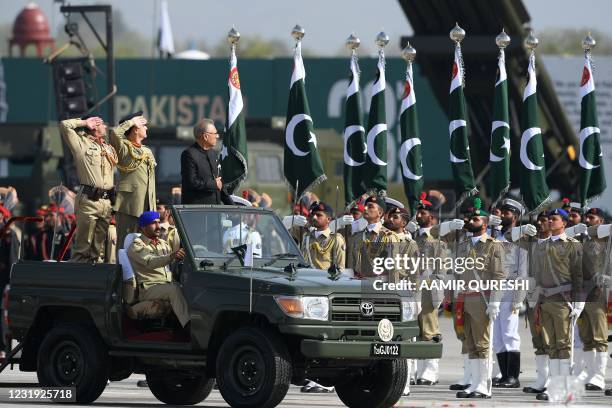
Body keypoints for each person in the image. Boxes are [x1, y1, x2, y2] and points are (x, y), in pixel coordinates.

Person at [454, 200, 505, 399]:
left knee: (483, 344)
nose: (470, 221)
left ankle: (483, 385)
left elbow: (499, 275)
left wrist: (495, 301)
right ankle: (474, 382)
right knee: (470, 343)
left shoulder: (494, 246)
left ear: (484, 224)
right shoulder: (464, 245)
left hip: (482, 299)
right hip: (465, 298)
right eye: (470, 218)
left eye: (475, 218)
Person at [532, 208, 583, 401]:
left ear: (564, 223)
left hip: (563, 301)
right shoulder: (541, 246)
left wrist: (579, 303)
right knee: (551, 345)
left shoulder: (573, 245)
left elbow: (579, 276)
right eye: (549, 219)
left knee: (563, 345)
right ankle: (553, 386)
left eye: (554, 219)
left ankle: (565, 388)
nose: (550, 222)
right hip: (545, 300)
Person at [59, 115, 117, 263]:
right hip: (89, 200)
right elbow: (64, 125)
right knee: (83, 249)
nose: (105, 126)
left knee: (98, 251)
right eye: (101, 123)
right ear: (93, 126)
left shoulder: (108, 147)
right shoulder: (81, 144)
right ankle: (78, 283)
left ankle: (95, 282)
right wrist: (84, 122)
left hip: (106, 202)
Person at [127, 211, 190, 329]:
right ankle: (189, 327)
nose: (158, 226)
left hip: (164, 285)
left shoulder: (162, 243)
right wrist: (171, 256)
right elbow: (151, 262)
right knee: (173, 290)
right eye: (153, 223)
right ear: (143, 227)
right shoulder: (136, 246)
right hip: (149, 288)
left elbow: (174, 258)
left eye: (158, 222)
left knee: (187, 287)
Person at [491, 198, 528, 389]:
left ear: (516, 216)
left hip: (510, 289)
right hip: (494, 291)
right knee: (497, 335)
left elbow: (523, 270)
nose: (503, 215)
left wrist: (518, 298)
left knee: (509, 333)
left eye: (507, 213)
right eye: (502, 212)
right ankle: (504, 374)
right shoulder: (495, 236)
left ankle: (513, 376)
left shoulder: (521, 238)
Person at [411, 191, 447, 387]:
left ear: (432, 217)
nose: (419, 215)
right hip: (412, 289)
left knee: (429, 330)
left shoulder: (437, 243)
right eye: (418, 212)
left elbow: (441, 271)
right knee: (413, 330)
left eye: (423, 212)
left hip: (428, 288)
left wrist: (437, 294)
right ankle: (414, 370)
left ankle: (430, 371)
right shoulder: (412, 239)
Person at [110, 111, 157, 255]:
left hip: (147, 205)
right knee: (125, 244)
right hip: (129, 206)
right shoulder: (124, 148)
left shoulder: (146, 151)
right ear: (136, 128)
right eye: (143, 125)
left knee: (145, 246)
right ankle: (122, 276)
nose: (146, 128)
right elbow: (114, 134)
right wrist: (131, 122)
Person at [181, 118, 232, 205]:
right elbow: (191, 182)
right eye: (215, 133)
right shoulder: (189, 154)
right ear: (205, 136)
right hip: (197, 211)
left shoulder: (213, 154)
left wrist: (233, 206)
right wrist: (213, 184)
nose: (217, 136)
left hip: (215, 211)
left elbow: (220, 184)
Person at [300, 201, 345, 270]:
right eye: (313, 215)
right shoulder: (307, 237)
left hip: (326, 279)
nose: (314, 217)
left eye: (319, 215)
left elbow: (340, 268)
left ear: (328, 219)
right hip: (308, 278)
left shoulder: (336, 239)